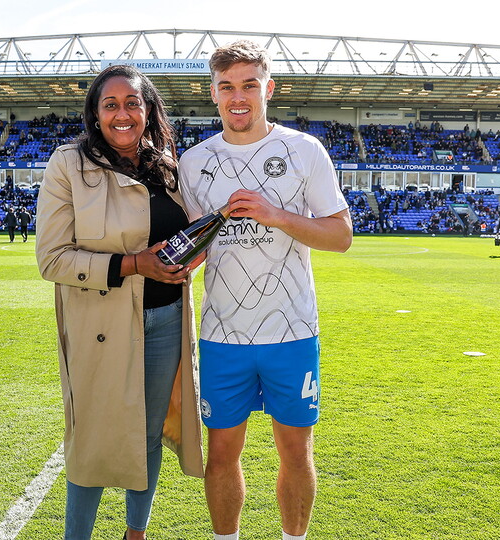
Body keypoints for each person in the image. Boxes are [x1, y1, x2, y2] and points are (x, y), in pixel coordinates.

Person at [178, 40, 353, 540]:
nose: (238, 97)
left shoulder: (304, 150)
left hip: (291, 332)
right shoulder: (194, 161)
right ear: (213, 93)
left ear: (268, 89)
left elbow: (341, 235)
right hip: (222, 335)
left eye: (249, 85)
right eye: (227, 87)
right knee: (221, 453)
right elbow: (197, 244)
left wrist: (276, 215)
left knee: (296, 451)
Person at [35, 64, 204, 540]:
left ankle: (136, 532)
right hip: (101, 323)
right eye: (110, 104)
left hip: (167, 318)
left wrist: (193, 254)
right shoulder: (68, 164)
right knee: (91, 439)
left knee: (147, 433)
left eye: (133, 103)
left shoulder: (167, 165)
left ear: (149, 111)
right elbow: (52, 259)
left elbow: (186, 234)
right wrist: (135, 264)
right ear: (95, 113)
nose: (122, 113)